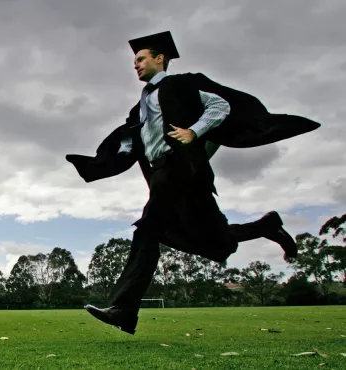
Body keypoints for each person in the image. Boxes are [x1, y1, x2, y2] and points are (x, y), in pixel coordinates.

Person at [65, 31, 321, 335]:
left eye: (141, 59)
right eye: (134, 61)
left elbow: (220, 106)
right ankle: (264, 227)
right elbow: (135, 143)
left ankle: (124, 309)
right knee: (210, 238)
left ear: (160, 59)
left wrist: (194, 132)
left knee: (147, 230)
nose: (135, 65)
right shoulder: (141, 107)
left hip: (182, 169)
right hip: (162, 175)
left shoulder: (179, 85)